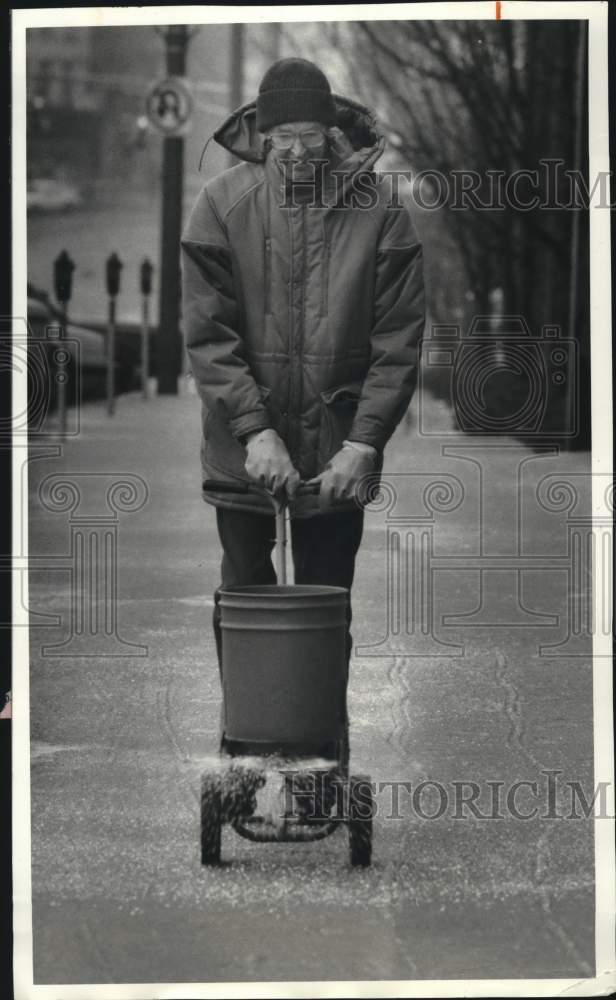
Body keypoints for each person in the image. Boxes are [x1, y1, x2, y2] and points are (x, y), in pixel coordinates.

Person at [181, 57, 425, 752]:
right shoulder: (221, 204)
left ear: (332, 133)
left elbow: (398, 342)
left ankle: (320, 747)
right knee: (245, 591)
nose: (295, 152)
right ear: (260, 133)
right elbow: (208, 334)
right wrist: (254, 429)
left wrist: (365, 442)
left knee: (325, 600)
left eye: (309, 138)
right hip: (241, 445)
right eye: (281, 137)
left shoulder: (381, 213)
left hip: (336, 449)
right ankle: (249, 739)